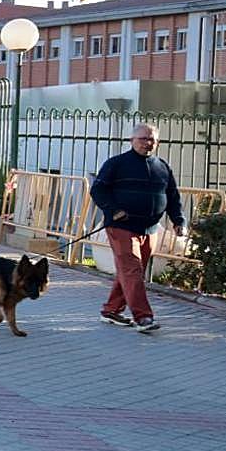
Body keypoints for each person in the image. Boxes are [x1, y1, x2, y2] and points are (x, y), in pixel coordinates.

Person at [89, 123, 185, 333]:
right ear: (132, 140)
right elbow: (98, 190)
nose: (148, 143)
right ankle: (144, 317)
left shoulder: (162, 167)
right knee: (132, 270)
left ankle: (111, 310)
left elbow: (173, 196)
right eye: (143, 139)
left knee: (131, 272)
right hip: (121, 226)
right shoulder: (117, 163)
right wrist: (113, 210)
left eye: (152, 139)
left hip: (150, 229)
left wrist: (178, 221)